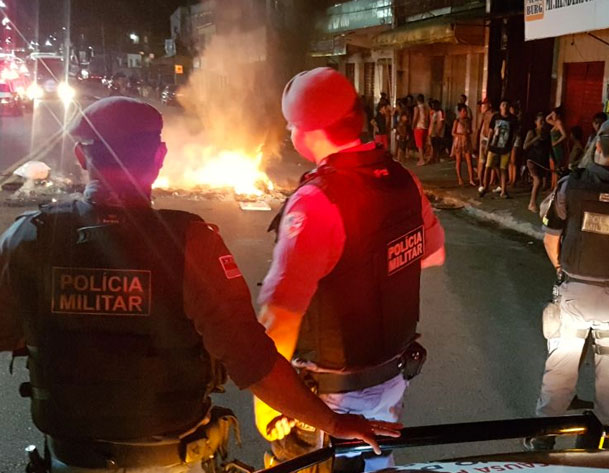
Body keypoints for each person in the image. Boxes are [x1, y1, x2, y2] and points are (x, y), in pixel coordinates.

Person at [0, 97, 397, 472]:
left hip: (69, 460)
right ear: (159, 158)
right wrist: (332, 422)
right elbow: (253, 362)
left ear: (82, 156)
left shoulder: (30, 236)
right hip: (172, 461)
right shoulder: (191, 243)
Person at [257, 68, 446, 472]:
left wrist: (269, 399)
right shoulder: (403, 180)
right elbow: (431, 255)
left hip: (331, 401)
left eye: (291, 125)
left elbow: (281, 315)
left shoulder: (316, 200)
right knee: (375, 463)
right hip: (391, 379)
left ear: (307, 130)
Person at [525, 116, 609, 451]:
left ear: (597, 145)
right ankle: (607, 440)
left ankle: (544, 434)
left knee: (560, 367)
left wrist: (562, 269)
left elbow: (550, 239)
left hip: (574, 295)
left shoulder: (570, 185)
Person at [480, 99, 517, 199]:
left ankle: (504, 190)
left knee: (503, 169)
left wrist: (511, 145)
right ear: (500, 107)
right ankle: (485, 186)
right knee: (488, 166)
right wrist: (488, 145)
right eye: (503, 104)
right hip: (494, 146)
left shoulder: (513, 119)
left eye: (506, 104)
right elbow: (491, 131)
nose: (504, 106)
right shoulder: (495, 117)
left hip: (505, 147)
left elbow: (514, 134)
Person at [525, 112, 552, 212]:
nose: (542, 124)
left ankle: (534, 201)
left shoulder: (546, 133)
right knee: (537, 180)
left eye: (543, 122)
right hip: (532, 159)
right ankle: (532, 203)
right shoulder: (532, 132)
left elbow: (549, 148)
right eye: (540, 122)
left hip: (542, 160)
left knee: (540, 182)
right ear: (536, 122)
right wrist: (536, 138)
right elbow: (525, 146)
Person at [452, 105, 476, 186]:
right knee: (459, 160)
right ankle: (460, 178)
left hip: (466, 141)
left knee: (469, 161)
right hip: (459, 142)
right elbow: (453, 132)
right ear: (459, 112)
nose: (465, 113)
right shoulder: (457, 121)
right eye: (463, 111)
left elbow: (471, 130)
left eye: (466, 111)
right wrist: (461, 134)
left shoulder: (468, 120)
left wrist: (468, 133)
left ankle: (471, 179)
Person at [476, 98, 496, 187]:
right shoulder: (484, 115)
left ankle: (490, 181)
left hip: (491, 139)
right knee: (482, 161)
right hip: (484, 138)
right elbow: (479, 127)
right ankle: (481, 182)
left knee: (491, 162)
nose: (483, 106)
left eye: (485, 104)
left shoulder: (495, 115)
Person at [547, 107, 568, 183]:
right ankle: (552, 185)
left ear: (558, 115)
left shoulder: (559, 123)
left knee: (556, 167)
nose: (552, 116)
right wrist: (552, 113)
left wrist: (556, 142)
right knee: (552, 166)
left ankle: (555, 185)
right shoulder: (555, 122)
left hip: (557, 147)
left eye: (554, 115)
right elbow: (547, 119)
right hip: (553, 147)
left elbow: (564, 135)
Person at [428, 100, 446, 164]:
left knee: (436, 146)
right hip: (433, 131)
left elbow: (440, 122)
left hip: (437, 132)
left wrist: (438, 131)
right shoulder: (434, 112)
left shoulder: (440, 112)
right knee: (433, 145)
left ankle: (436, 158)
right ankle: (433, 158)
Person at [413, 94, 430, 165]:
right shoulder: (426, 108)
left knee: (419, 145)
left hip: (419, 127)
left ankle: (421, 159)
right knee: (423, 143)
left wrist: (413, 125)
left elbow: (415, 117)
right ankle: (424, 158)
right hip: (425, 127)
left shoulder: (417, 108)